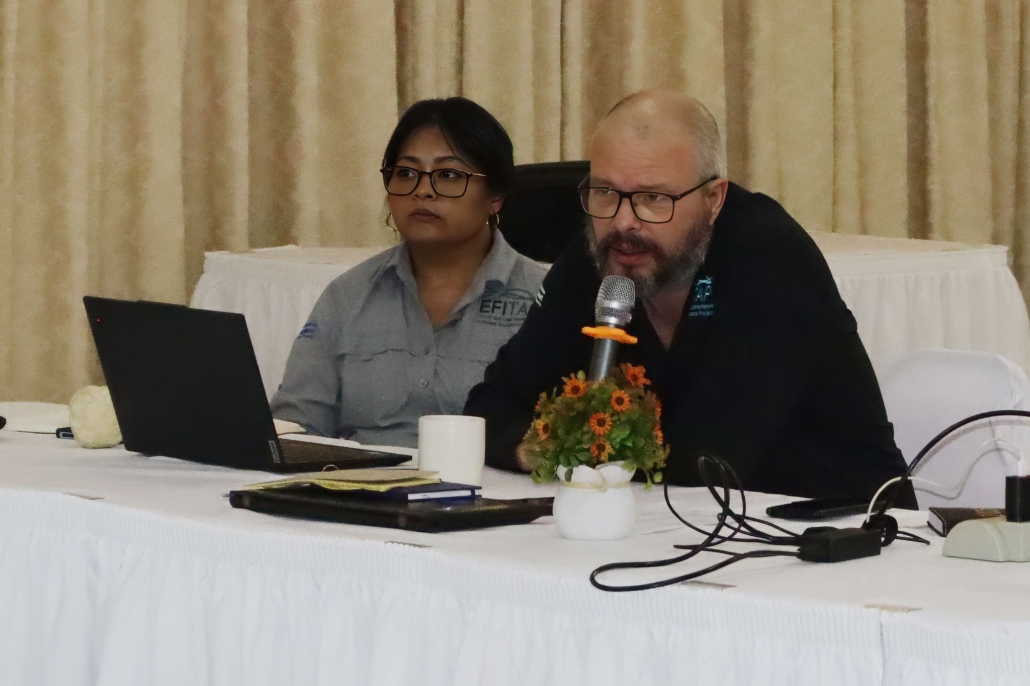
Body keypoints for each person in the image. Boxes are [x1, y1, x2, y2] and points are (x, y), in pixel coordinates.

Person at [464, 89, 913, 503]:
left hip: (844, 530)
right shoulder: (600, 258)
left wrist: (581, 452)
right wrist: (540, 450)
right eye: (605, 193)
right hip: (672, 528)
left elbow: (710, 460)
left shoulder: (766, 255)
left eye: (653, 198)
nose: (623, 222)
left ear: (713, 200)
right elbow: (489, 406)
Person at [271, 97, 547, 448]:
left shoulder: (544, 299)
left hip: (490, 480)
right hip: (364, 480)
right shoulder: (348, 295)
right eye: (405, 173)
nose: (422, 190)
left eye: (448, 175)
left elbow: (565, 435)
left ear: (495, 196)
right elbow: (295, 424)